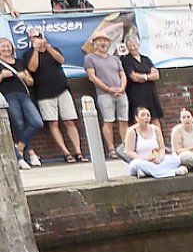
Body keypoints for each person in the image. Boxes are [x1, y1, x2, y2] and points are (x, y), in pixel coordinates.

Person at [22, 26, 83, 162]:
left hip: (62, 90)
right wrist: (36, 50)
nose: (37, 39)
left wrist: (47, 47)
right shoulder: (28, 54)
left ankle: (78, 152)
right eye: (34, 37)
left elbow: (61, 60)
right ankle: (66, 153)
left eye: (39, 36)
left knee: (69, 121)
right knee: (53, 123)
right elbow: (32, 68)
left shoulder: (53, 49)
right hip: (44, 94)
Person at [81, 32, 128, 157]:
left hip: (121, 93)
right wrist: (108, 89)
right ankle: (111, 149)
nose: (103, 43)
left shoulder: (115, 59)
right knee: (108, 121)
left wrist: (122, 87)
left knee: (124, 120)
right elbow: (92, 77)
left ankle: (125, 146)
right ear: (94, 44)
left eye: (105, 40)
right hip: (104, 94)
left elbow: (122, 74)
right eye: (99, 41)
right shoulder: (89, 58)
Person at [0, 36, 43, 166]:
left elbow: (31, 81)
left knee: (37, 122)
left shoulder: (19, 62)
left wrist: (25, 77)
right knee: (18, 124)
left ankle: (19, 149)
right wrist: (2, 75)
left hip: (24, 95)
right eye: (3, 46)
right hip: (8, 96)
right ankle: (30, 154)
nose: (6, 49)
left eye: (8, 46)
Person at [123, 106, 185, 178]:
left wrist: (159, 158)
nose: (146, 117)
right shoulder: (132, 131)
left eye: (148, 115)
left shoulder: (156, 129)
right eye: (143, 115)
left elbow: (162, 148)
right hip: (141, 161)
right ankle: (172, 172)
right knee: (136, 164)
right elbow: (129, 151)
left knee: (176, 160)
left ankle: (147, 172)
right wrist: (144, 159)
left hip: (157, 161)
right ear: (136, 118)